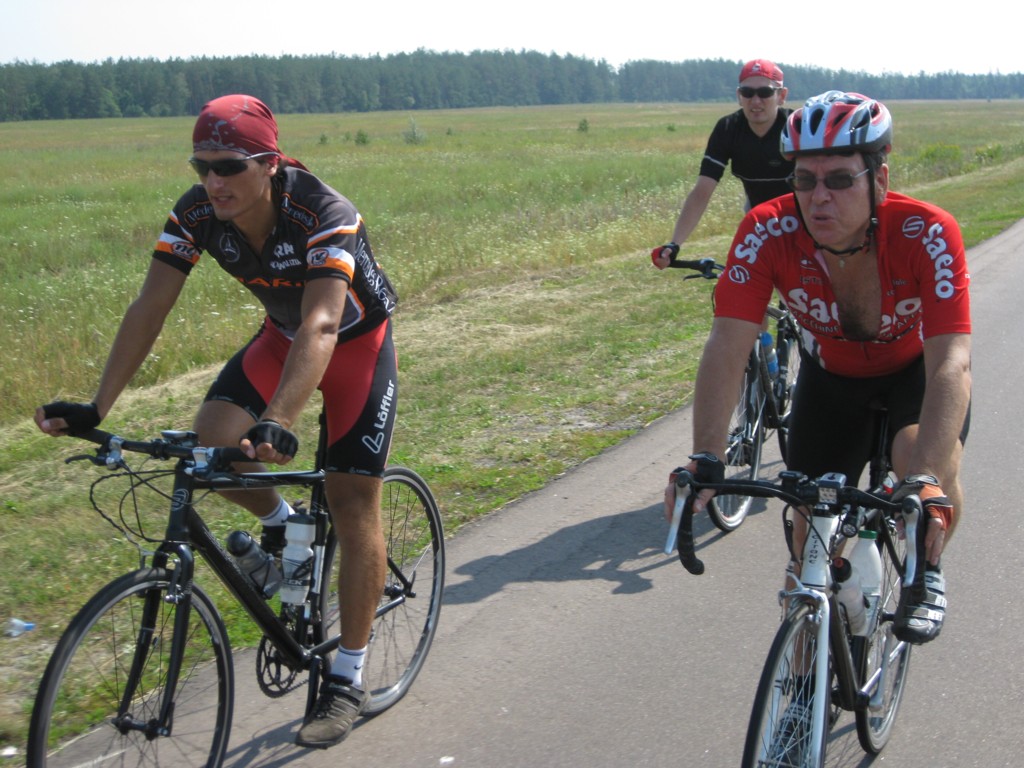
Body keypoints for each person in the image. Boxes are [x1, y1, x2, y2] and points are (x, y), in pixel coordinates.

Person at [34, 94, 399, 748]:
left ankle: (347, 676)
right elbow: (151, 305)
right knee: (212, 441)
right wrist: (97, 406)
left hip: (355, 347)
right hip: (282, 338)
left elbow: (322, 323)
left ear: (270, 163)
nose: (213, 180)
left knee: (351, 500)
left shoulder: (325, 213)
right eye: (201, 165)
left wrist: (280, 418)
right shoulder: (197, 212)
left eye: (228, 165)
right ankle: (284, 526)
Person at [667, 91, 971, 645]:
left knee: (919, 465)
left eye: (840, 180)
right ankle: (804, 671)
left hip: (914, 377)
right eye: (804, 181)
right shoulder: (767, 230)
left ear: (880, 180)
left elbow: (952, 359)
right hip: (830, 381)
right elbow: (728, 343)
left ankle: (925, 570)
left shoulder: (926, 231)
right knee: (806, 539)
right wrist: (707, 453)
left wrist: (926, 480)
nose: (819, 197)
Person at [652, 59, 793, 268]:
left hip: (802, 217)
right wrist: (675, 244)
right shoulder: (728, 129)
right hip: (760, 221)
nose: (756, 101)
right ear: (738, 96)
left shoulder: (795, 126)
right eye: (747, 93)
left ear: (781, 96)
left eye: (765, 92)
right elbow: (702, 191)